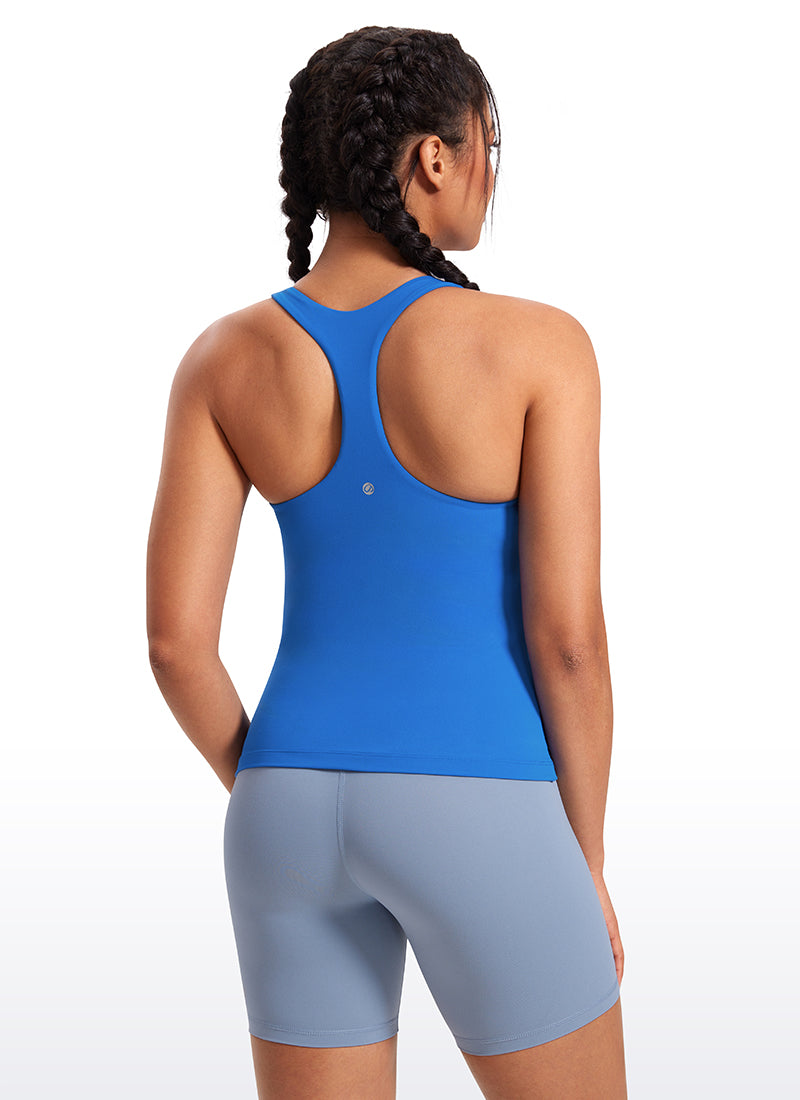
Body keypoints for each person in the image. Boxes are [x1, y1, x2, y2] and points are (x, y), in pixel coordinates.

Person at [146, 25, 628, 1100]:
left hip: (282, 812)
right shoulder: (537, 345)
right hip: (482, 802)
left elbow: (176, 645)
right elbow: (567, 642)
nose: (494, 173)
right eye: (490, 144)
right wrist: (583, 861)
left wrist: (277, 783)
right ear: (434, 158)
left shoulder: (223, 358)